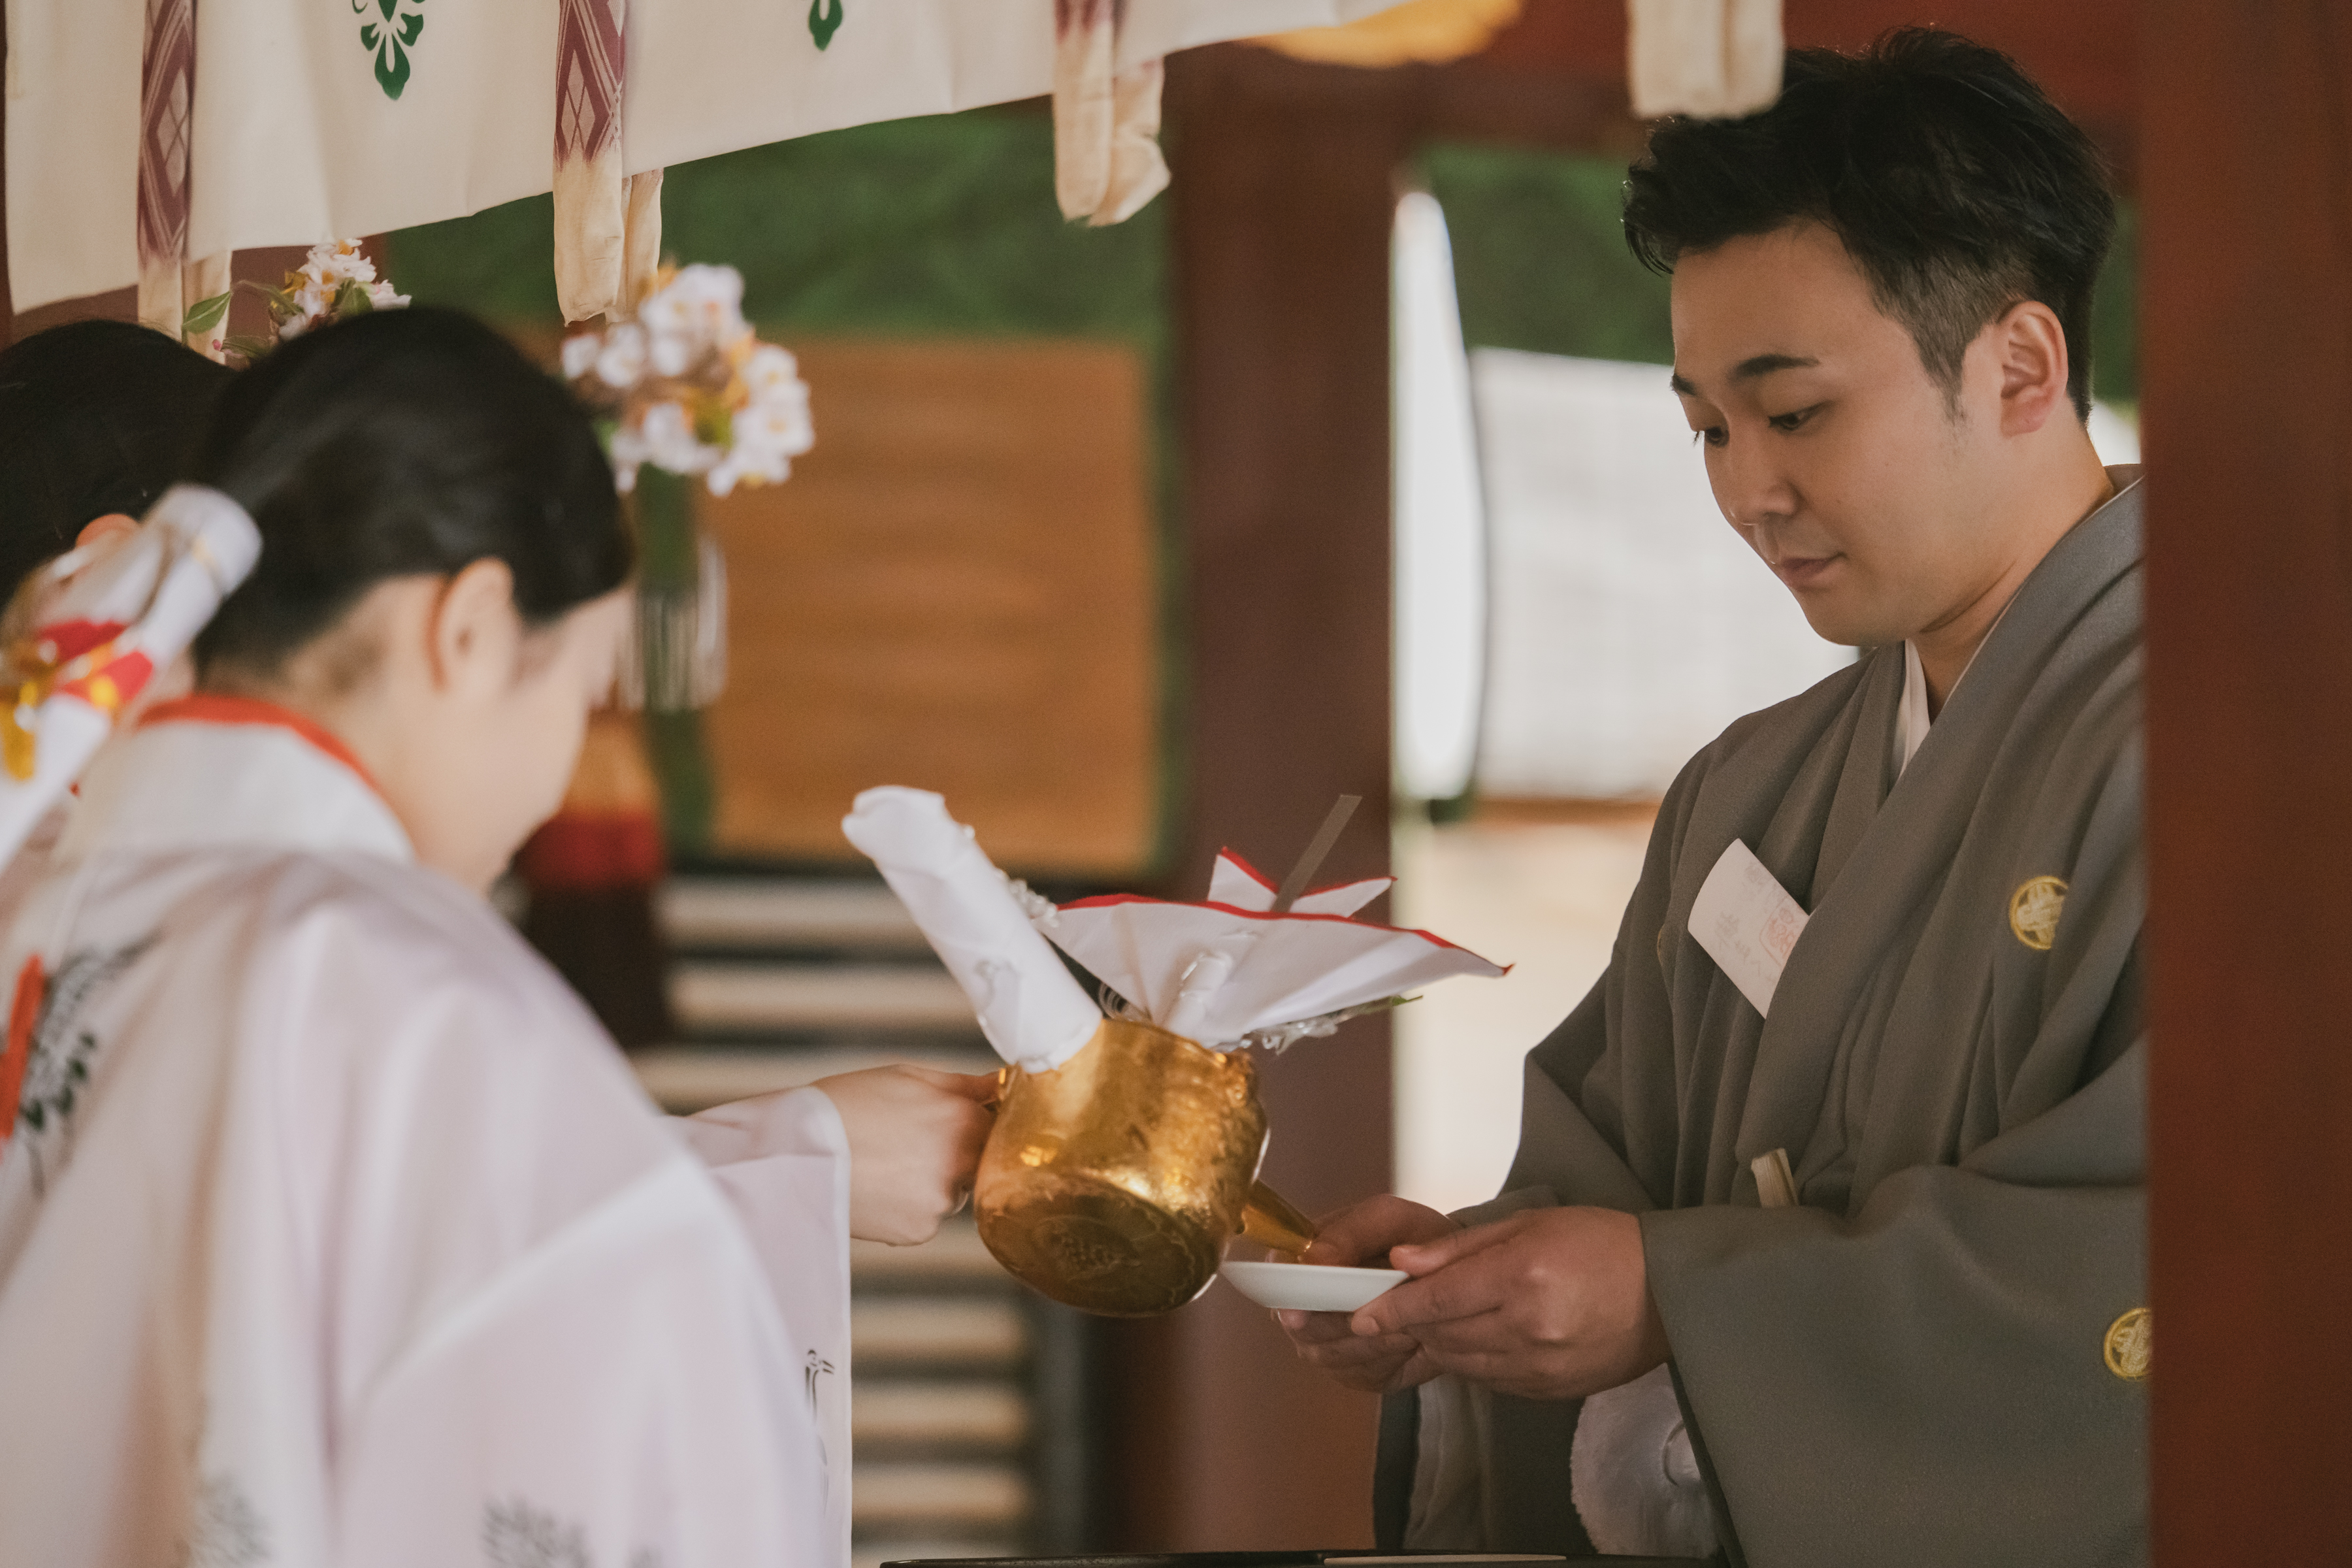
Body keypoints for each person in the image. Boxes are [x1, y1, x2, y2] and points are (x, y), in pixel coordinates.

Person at [1282, 30, 2146, 1568]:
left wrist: (1681, 1296)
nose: (1747, 489)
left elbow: (2189, 1265)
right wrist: (1460, 1285)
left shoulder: (2242, 763)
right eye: (1704, 426)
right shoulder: (1752, 788)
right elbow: (1616, 1177)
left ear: (2020, 367)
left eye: (1795, 411)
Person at [0, 306, 994, 1568]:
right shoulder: (391, 978)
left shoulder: (61, 903)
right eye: (581, 689)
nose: (554, 784)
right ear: (467, 630)